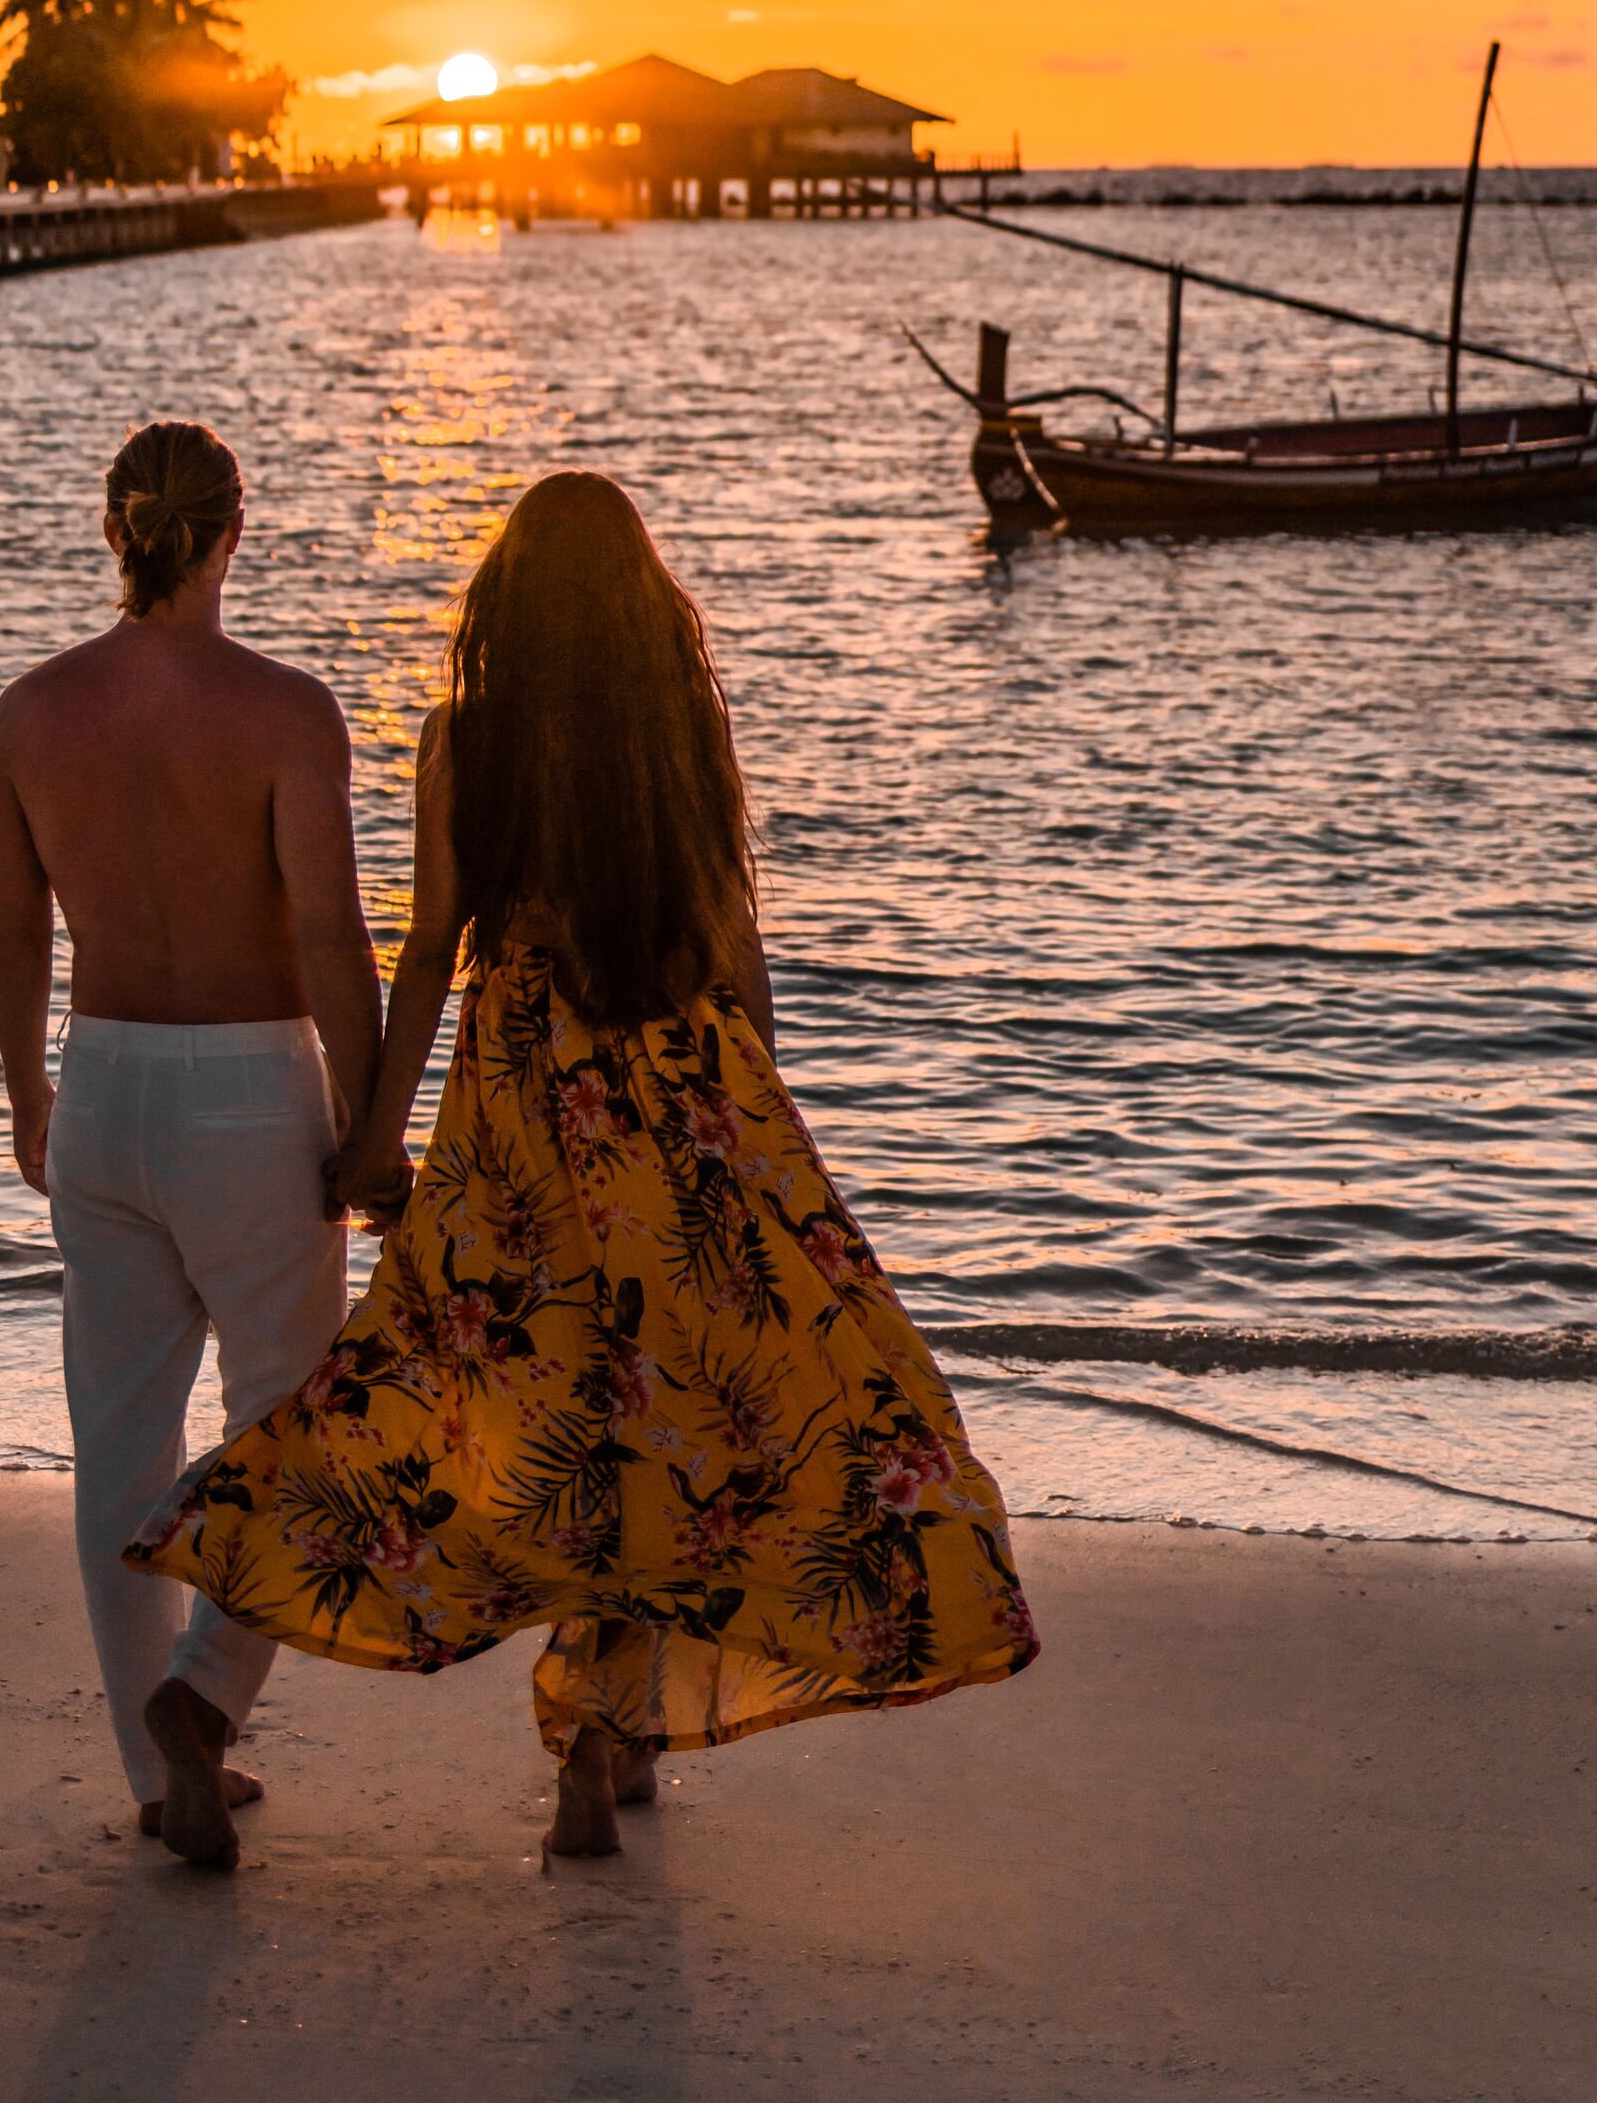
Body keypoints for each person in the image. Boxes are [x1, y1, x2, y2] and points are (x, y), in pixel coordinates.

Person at [128, 468, 1039, 1863]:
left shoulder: (462, 739)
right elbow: (737, 949)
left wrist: (378, 1139)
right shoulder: (679, 734)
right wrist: (768, 1133)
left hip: (519, 1112)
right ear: (640, 615)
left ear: (509, 605)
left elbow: (432, 950)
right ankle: (601, 1741)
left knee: (426, 1380)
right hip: (683, 1106)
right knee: (668, 1410)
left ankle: (205, 1694)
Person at [0, 422, 384, 1862]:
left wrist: (29, 1093)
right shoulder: (285, 711)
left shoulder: (31, 713)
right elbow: (331, 939)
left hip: (102, 1088)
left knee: (120, 1446)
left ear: (115, 531)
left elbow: (13, 929)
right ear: (232, 531)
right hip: (247, 1095)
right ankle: (204, 1697)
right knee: (294, 1425)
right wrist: (371, 1116)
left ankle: (155, 1775)